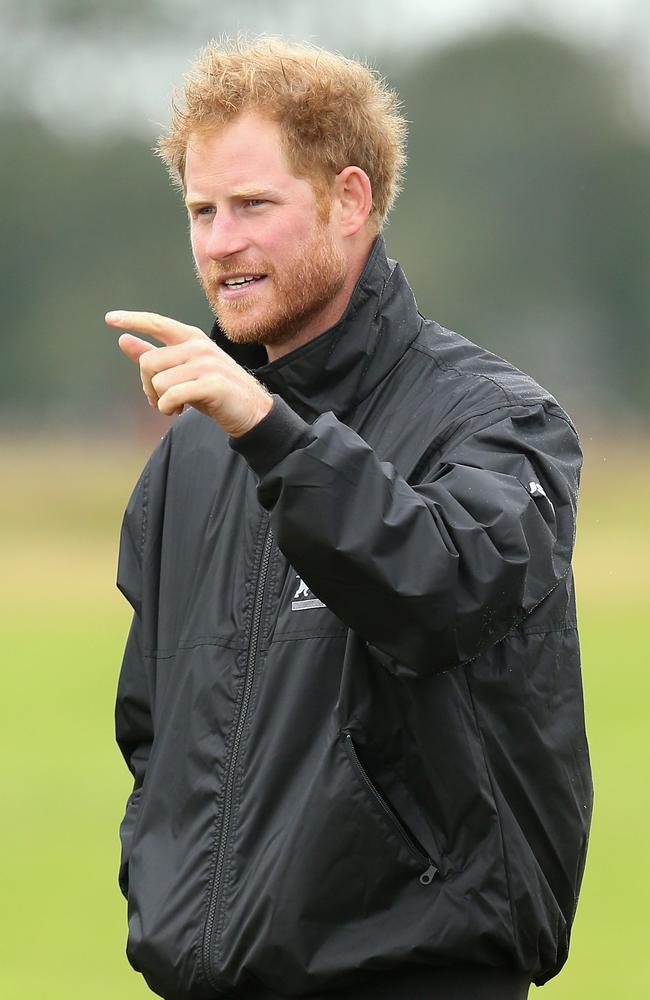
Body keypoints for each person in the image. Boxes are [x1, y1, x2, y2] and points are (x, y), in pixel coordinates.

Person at [106, 38, 592, 1000]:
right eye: (202, 211)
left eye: (253, 206)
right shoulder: (191, 453)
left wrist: (277, 439)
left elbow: (445, 589)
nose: (218, 242)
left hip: (418, 973)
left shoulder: (498, 420)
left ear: (351, 201)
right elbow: (150, 729)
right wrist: (155, 886)